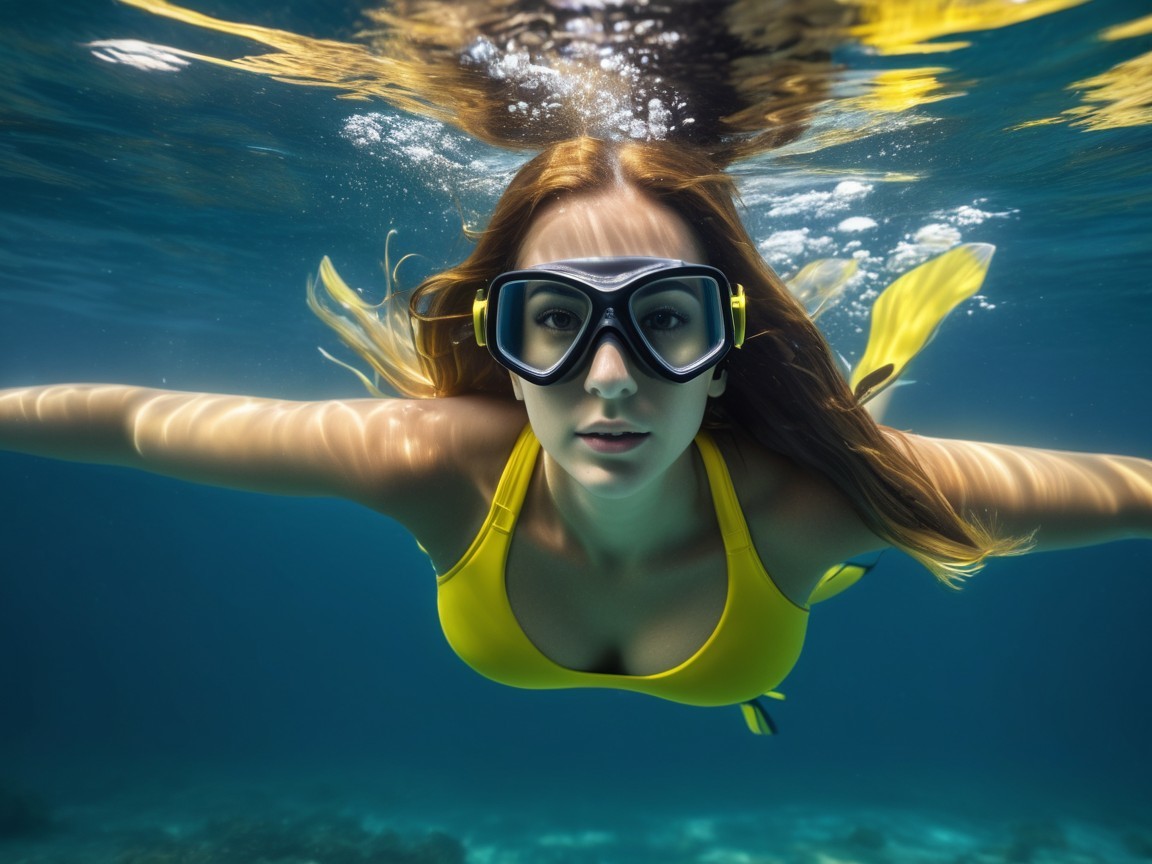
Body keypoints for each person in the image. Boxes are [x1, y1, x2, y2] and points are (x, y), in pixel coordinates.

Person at [4, 2, 1152, 734]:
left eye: (668, 320)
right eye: (553, 319)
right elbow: (139, 420)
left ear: (723, 353)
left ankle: (878, 364)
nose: (611, 377)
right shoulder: (429, 463)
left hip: (807, 514)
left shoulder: (822, 499)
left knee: (857, 436)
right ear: (503, 351)